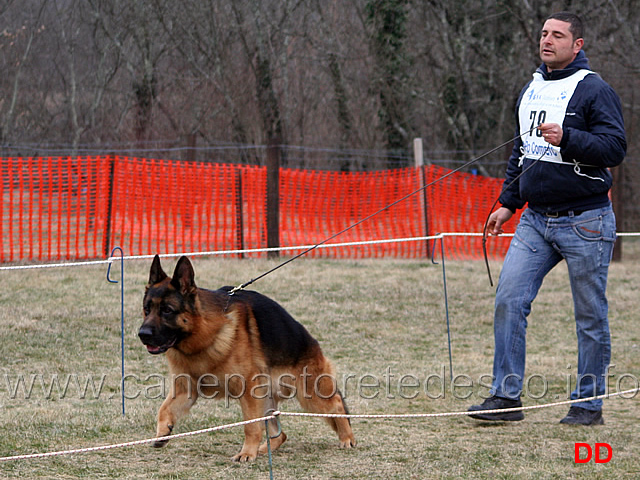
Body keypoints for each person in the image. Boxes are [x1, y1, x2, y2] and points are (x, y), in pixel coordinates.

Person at [468, 12, 626, 425]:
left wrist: (569, 138)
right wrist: (507, 202)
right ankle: (506, 399)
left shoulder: (594, 90)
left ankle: (588, 405)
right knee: (508, 299)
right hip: (535, 220)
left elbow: (614, 149)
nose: (547, 40)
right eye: (544, 34)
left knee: (590, 316)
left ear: (578, 45)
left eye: (558, 35)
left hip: (585, 220)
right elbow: (521, 155)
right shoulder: (531, 90)